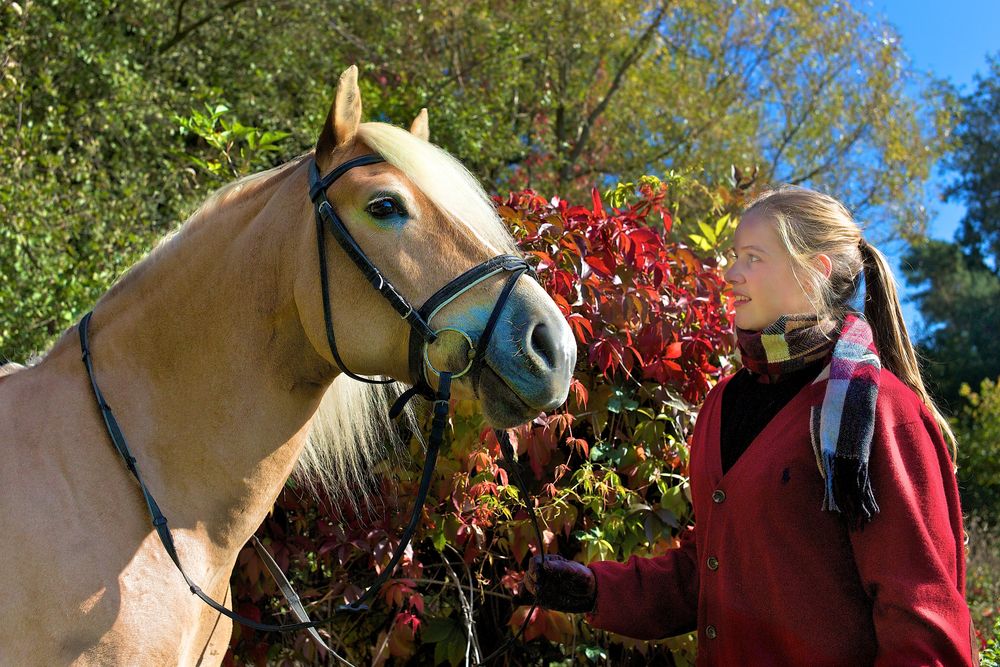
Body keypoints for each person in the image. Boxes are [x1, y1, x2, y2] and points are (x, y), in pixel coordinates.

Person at [525, 186, 978, 665]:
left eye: (753, 258)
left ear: (813, 271)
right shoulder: (724, 402)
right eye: (735, 256)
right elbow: (709, 570)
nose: (731, 273)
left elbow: (924, 627)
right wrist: (597, 591)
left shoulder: (878, 411)